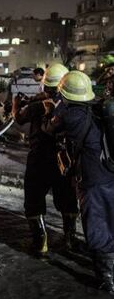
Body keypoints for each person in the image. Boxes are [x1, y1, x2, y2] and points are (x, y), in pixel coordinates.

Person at [43, 70, 114, 293]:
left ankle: (107, 278)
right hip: (110, 172)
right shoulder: (98, 108)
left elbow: (49, 128)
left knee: (97, 227)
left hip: (91, 180)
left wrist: (52, 108)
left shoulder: (70, 115)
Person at [12, 63, 78, 256]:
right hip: (63, 159)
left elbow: (19, 118)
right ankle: (70, 240)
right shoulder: (69, 105)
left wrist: (16, 103)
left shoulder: (37, 107)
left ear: (45, 84)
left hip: (39, 159)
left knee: (33, 199)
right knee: (67, 198)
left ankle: (40, 243)